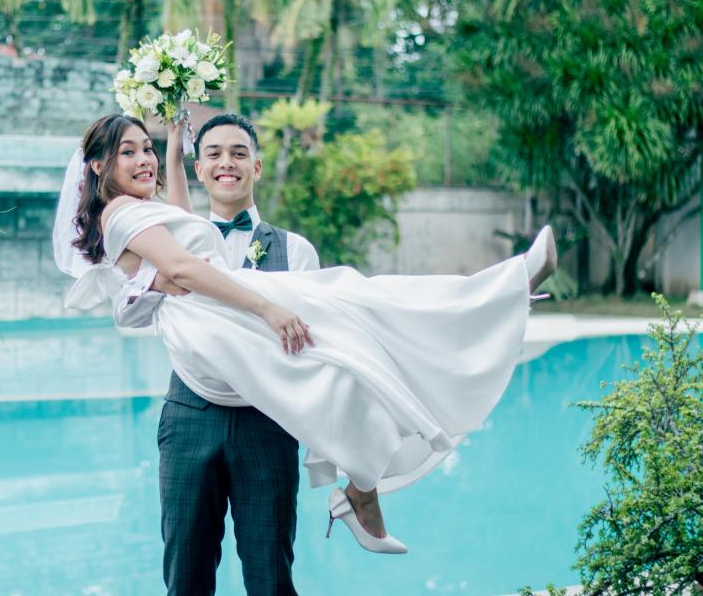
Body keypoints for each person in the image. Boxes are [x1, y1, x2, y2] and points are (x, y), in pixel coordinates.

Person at [54, 114, 556, 560]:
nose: (144, 160)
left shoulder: (175, 216)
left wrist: (171, 151)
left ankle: (501, 293)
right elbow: (173, 271)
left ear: (257, 166)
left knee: (362, 319)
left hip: (260, 400)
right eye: (128, 151)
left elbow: (176, 235)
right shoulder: (122, 213)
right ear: (98, 166)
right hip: (214, 363)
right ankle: (496, 296)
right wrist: (262, 306)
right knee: (364, 309)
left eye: (147, 149)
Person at [109, 114, 318, 595]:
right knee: (186, 571)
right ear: (198, 170)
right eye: (215, 154)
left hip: (269, 422)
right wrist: (152, 281)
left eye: (239, 153)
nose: (227, 163)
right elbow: (128, 315)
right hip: (189, 418)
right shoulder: (168, 240)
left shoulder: (296, 250)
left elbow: (311, 345)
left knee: (270, 573)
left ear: (257, 167)